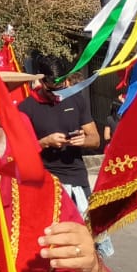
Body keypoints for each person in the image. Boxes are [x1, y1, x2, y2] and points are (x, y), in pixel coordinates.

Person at [18, 56, 101, 219]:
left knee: (90, 235)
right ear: (41, 81)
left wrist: (84, 141)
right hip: (45, 180)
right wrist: (45, 142)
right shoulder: (26, 108)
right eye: (52, 91)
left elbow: (96, 139)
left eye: (61, 88)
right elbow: (19, 152)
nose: (58, 94)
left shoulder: (76, 99)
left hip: (77, 178)